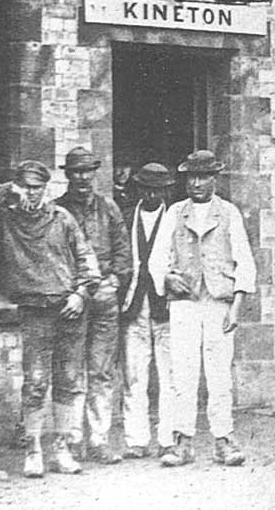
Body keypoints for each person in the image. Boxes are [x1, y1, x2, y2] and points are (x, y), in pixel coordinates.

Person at [0, 160, 101, 477]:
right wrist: (10, 190)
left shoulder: (62, 218)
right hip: (34, 311)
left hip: (69, 309)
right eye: (26, 187)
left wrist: (80, 294)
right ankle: (33, 450)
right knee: (35, 382)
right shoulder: (8, 218)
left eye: (36, 187)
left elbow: (88, 262)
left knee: (68, 380)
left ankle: (61, 449)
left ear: (45, 188)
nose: (31, 193)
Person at [148, 150, 256, 467]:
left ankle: (224, 440)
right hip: (185, 304)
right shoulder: (175, 213)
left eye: (203, 177)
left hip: (218, 302)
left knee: (219, 373)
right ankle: (183, 441)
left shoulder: (229, 213)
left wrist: (236, 308)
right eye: (192, 177)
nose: (196, 183)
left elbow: (245, 262)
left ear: (214, 179)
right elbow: (156, 259)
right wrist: (167, 278)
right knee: (183, 372)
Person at [54, 146, 133, 465]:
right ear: (68, 175)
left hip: (103, 298)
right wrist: (71, 290)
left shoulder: (109, 208)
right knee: (71, 371)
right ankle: (72, 440)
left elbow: (123, 252)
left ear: (95, 173)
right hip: (73, 298)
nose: (83, 177)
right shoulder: (57, 210)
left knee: (101, 370)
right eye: (77, 171)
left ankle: (98, 440)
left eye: (88, 171)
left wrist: (114, 281)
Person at [119, 163, 176, 460]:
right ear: (139, 188)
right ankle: (136, 439)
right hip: (134, 306)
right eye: (146, 189)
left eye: (158, 190)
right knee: (134, 375)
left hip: (165, 306)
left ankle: (168, 438)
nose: (152, 195)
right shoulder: (127, 217)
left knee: (170, 376)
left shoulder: (175, 218)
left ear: (166, 191)